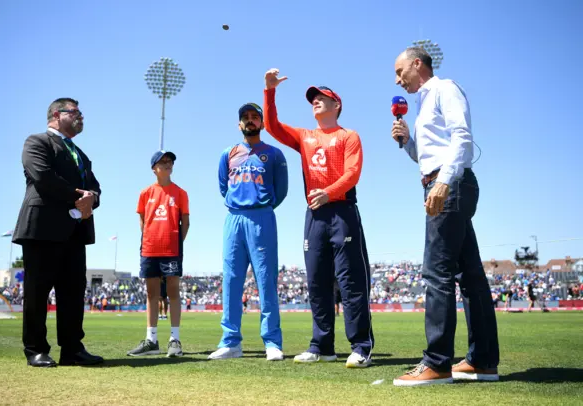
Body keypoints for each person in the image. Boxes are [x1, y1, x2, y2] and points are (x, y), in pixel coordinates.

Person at [391, 47, 500, 386]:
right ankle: (482, 361)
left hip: (449, 184)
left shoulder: (444, 88)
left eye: (400, 71)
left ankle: (437, 363)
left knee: (436, 272)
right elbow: (428, 157)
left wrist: (442, 182)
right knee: (470, 276)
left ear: (417, 64)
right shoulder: (424, 104)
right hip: (444, 182)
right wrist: (409, 142)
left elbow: (462, 139)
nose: (397, 79)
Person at [263, 69, 374, 368]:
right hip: (315, 214)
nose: (315, 102)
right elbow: (271, 125)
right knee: (316, 282)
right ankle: (322, 345)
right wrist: (270, 91)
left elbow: (353, 173)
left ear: (336, 105)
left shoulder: (349, 136)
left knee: (350, 282)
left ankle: (361, 346)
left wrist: (329, 191)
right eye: (313, 99)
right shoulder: (305, 136)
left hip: (343, 211)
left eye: (322, 98)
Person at [12, 97, 103, 367]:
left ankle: (73, 349)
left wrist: (91, 199)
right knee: (38, 293)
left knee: (73, 293)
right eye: (75, 111)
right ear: (55, 114)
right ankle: (36, 349)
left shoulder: (81, 155)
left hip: (75, 231)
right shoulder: (36, 142)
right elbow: (43, 177)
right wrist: (79, 197)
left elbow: (95, 188)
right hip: (42, 228)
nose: (81, 116)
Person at [208, 102, 288, 361]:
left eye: (255, 117)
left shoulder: (274, 154)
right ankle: (230, 342)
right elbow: (224, 187)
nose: (251, 121)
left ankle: (272, 342)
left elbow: (281, 190)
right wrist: (240, 204)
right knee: (231, 280)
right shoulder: (228, 153)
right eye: (246, 117)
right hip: (233, 218)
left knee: (266, 281)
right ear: (239, 124)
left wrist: (261, 206)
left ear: (262, 123)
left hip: (262, 217)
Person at [127, 151, 190, 358]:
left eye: (170, 161)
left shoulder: (180, 193)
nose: (167, 164)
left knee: (173, 293)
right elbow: (142, 221)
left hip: (172, 250)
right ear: (154, 168)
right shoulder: (145, 193)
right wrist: (151, 239)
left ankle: (175, 340)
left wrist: (175, 244)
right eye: (163, 162)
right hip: (149, 249)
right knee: (152, 294)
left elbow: (186, 223)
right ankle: (151, 340)